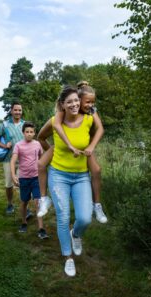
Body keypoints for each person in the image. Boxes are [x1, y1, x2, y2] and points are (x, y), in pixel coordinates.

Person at [37, 86, 94, 277]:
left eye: (76, 100)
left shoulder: (88, 119)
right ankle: (68, 257)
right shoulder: (55, 121)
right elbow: (40, 137)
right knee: (63, 217)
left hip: (81, 176)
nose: (74, 104)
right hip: (59, 175)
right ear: (62, 105)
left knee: (85, 218)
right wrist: (52, 151)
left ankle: (75, 234)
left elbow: (97, 133)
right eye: (69, 102)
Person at [37, 81, 108, 223]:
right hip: (61, 147)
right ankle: (44, 199)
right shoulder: (63, 112)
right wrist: (56, 151)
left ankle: (97, 205)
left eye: (92, 102)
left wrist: (91, 146)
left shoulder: (91, 112)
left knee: (97, 170)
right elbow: (52, 128)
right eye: (87, 102)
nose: (90, 105)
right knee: (40, 164)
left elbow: (100, 128)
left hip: (84, 148)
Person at [10, 121, 48, 239]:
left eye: (31, 132)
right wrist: (13, 175)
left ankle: (41, 228)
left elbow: (42, 158)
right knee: (24, 201)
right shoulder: (18, 145)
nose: (29, 134)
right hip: (24, 178)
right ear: (23, 133)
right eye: (27, 132)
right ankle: (24, 222)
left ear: (34, 133)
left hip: (36, 177)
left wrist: (44, 171)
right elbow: (13, 161)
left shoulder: (37, 144)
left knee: (38, 202)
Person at [0, 102, 27, 215]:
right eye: (15, 110)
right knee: (9, 184)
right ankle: (10, 204)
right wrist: (4, 145)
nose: (17, 112)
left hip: (23, 160)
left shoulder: (25, 124)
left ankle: (24, 207)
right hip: (8, 159)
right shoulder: (4, 125)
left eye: (19, 110)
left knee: (23, 183)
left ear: (22, 111)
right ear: (11, 111)